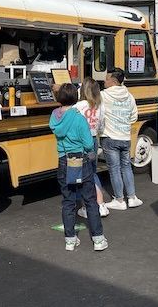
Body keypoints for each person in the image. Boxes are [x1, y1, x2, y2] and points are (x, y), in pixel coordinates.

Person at [49, 83, 108, 252]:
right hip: (80, 161)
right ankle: (98, 239)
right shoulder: (78, 118)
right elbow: (89, 144)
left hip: (63, 161)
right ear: (76, 97)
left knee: (68, 201)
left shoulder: (54, 116)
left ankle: (70, 240)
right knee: (89, 200)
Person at [100, 67, 143, 210]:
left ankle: (119, 200)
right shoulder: (129, 95)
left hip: (110, 137)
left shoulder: (103, 95)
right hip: (125, 137)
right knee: (126, 167)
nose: (104, 81)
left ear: (112, 81)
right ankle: (132, 197)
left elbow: (99, 113)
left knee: (114, 169)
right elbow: (134, 116)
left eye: (106, 79)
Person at [74, 78, 109, 218]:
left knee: (79, 174)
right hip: (93, 140)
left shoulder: (77, 106)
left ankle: (86, 206)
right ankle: (101, 204)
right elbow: (101, 125)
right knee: (92, 172)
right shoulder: (100, 105)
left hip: (79, 142)